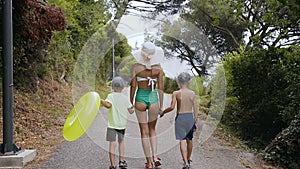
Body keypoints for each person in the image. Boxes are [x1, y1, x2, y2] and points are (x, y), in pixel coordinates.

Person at [130, 42, 164, 168]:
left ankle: (149, 162)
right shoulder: (158, 68)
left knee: (144, 132)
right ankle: (155, 155)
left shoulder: (136, 67)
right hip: (153, 97)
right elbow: (161, 88)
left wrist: (131, 101)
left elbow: (133, 86)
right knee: (152, 130)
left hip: (140, 98)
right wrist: (160, 106)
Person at [160, 72, 199, 169]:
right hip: (190, 117)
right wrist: (195, 121)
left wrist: (163, 112)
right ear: (189, 81)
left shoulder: (176, 93)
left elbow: (172, 107)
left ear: (179, 81)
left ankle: (185, 162)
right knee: (190, 140)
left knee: (182, 140)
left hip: (180, 118)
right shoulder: (192, 93)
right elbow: (196, 109)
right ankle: (188, 159)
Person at [101, 76, 134, 169]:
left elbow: (108, 105)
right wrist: (133, 108)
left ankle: (112, 165)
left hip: (112, 125)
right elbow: (131, 111)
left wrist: (101, 101)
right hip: (122, 125)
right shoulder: (125, 98)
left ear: (112, 87)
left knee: (112, 143)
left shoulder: (110, 96)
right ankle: (121, 161)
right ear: (123, 87)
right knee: (121, 142)